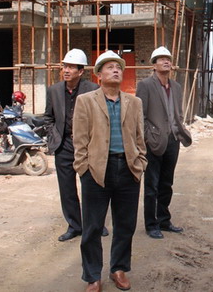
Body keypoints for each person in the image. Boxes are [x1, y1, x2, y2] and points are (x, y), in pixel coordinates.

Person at [73, 50, 147, 292]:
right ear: (99, 75)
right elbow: (79, 139)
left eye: (118, 67)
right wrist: (83, 168)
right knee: (93, 226)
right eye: (109, 67)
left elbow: (140, 136)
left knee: (125, 224)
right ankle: (93, 276)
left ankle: (118, 268)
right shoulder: (86, 101)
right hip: (96, 170)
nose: (116, 70)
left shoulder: (134, 102)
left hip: (128, 169)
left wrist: (140, 163)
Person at [44, 49, 105, 242]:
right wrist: (54, 136)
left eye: (71, 67)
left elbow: (100, 117)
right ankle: (74, 225)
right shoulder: (54, 91)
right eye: (65, 66)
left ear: (81, 71)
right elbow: (48, 117)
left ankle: (96, 224)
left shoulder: (93, 89)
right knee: (67, 189)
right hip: (64, 145)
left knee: (91, 187)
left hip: (86, 146)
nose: (66, 70)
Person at [136, 46, 193, 239]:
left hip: (172, 140)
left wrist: (179, 129)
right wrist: (147, 137)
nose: (166, 61)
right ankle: (151, 224)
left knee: (167, 184)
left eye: (168, 58)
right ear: (154, 65)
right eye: (161, 59)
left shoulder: (176, 87)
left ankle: (164, 220)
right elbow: (140, 115)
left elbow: (177, 113)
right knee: (151, 185)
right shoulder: (145, 85)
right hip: (154, 142)